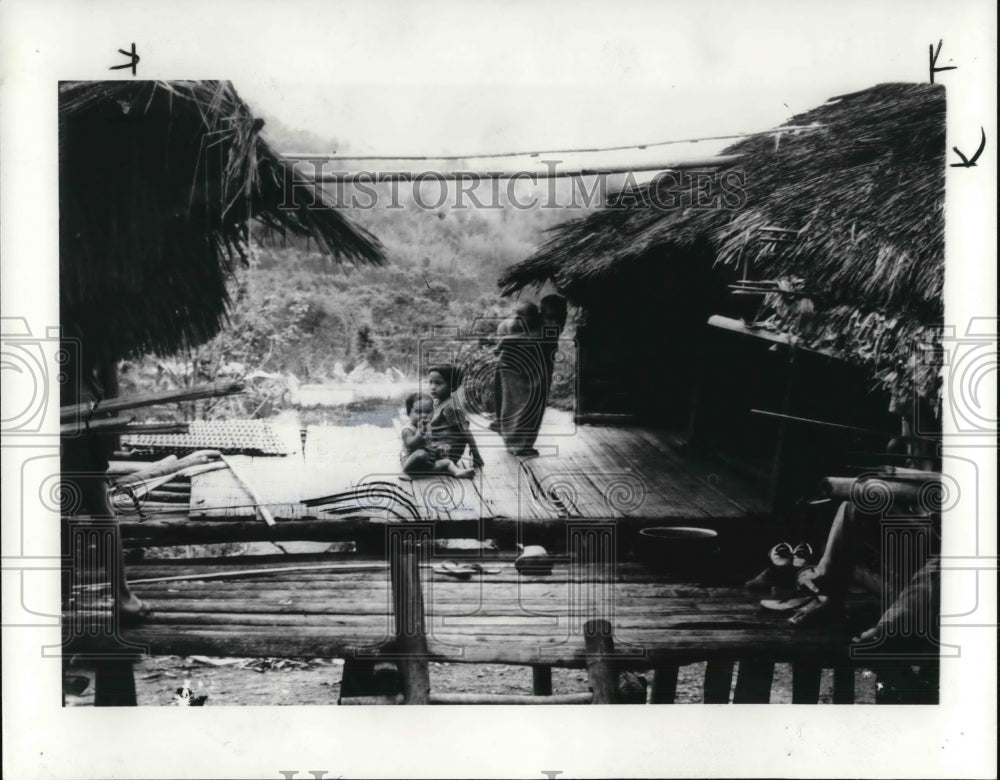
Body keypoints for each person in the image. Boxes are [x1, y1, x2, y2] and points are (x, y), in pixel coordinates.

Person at [424, 365, 484, 474]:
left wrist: (476, 455)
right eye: (430, 382)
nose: (432, 387)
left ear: (451, 386)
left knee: (415, 456)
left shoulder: (450, 407)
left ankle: (445, 467)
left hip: (447, 451)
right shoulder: (439, 403)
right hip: (438, 446)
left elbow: (465, 431)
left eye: (438, 383)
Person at [400, 391, 476, 478]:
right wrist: (419, 435)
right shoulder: (407, 429)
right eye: (418, 412)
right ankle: (406, 472)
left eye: (428, 412)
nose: (424, 415)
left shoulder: (427, 426)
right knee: (421, 454)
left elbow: (428, 443)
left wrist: (437, 448)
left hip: (427, 462)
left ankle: (458, 472)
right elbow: (410, 445)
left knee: (447, 462)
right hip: (410, 461)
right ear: (408, 413)